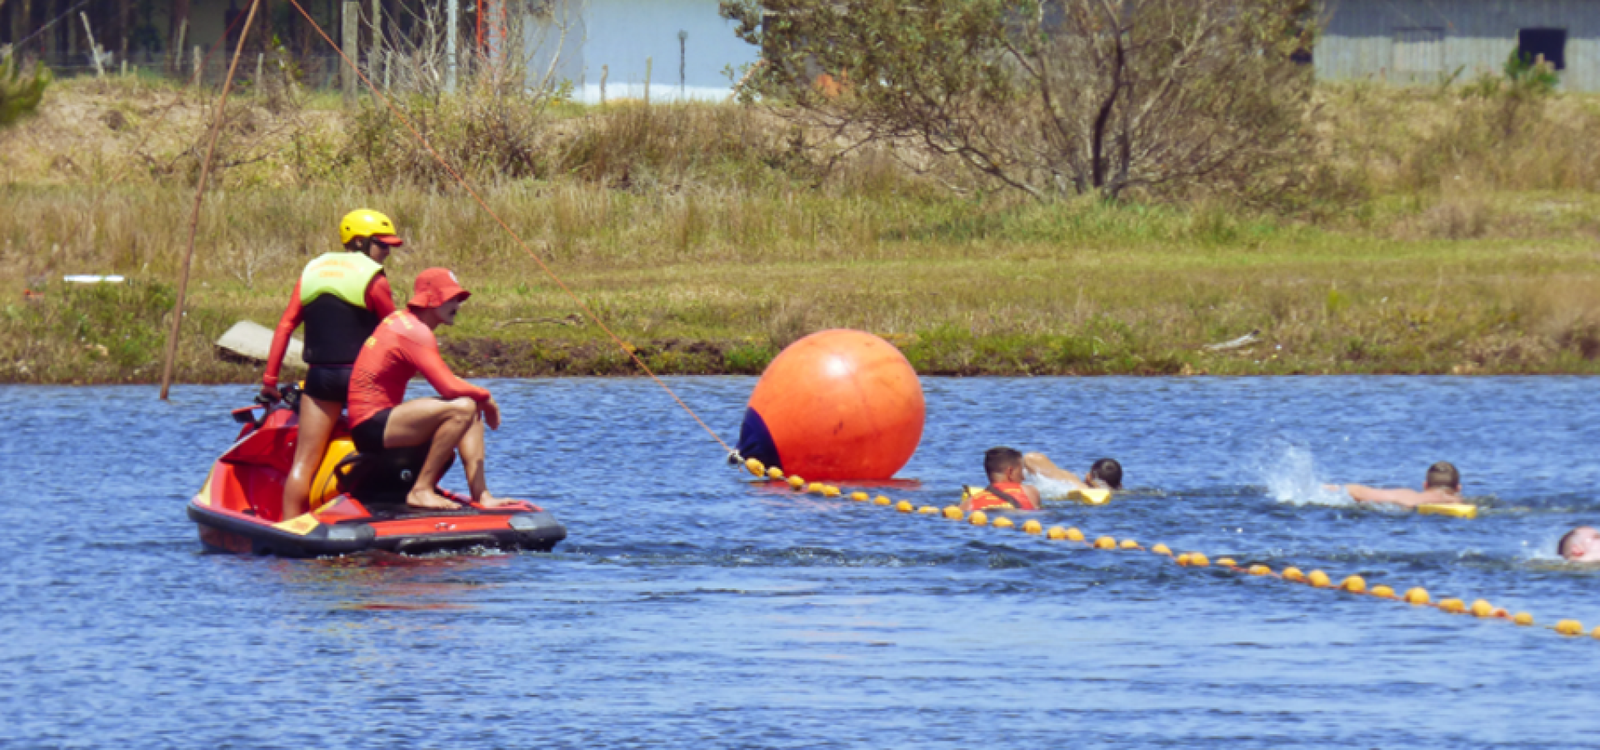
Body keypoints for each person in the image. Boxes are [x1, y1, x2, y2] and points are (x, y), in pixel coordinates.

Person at [260, 209, 402, 518]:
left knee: (303, 462)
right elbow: (394, 330)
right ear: (361, 242)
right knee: (382, 449)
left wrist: (269, 382)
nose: (387, 252)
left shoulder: (313, 269)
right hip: (361, 380)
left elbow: (285, 326)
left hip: (320, 378)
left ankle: (291, 527)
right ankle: (385, 512)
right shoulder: (373, 278)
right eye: (383, 245)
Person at [348, 268, 512, 510]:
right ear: (431, 300)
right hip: (369, 425)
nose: (457, 305)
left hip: (384, 420)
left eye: (458, 299)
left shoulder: (407, 323)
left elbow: (446, 379)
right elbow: (446, 387)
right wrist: (487, 399)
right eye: (450, 298)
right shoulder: (414, 331)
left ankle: (482, 495)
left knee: (469, 403)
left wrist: (479, 398)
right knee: (463, 407)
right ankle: (421, 490)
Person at [1327, 461, 1463, 508]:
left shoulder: (1409, 497)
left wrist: (1325, 488)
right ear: (1458, 488)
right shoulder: (1463, 502)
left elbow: (1356, 491)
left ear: (1425, 485)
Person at [961, 447, 1043, 512]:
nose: (1023, 477)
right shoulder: (1030, 492)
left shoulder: (969, 503)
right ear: (1010, 471)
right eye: (1021, 471)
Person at [1023, 453, 1124, 491]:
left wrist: (1062, 473)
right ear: (1120, 484)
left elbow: (1030, 458)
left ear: (1089, 477)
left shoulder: (1077, 485)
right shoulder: (1122, 494)